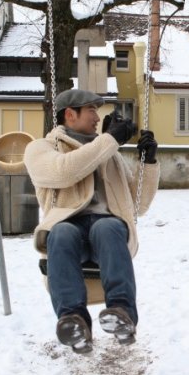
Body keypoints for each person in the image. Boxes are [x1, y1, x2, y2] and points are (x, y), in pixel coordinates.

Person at [23, 89, 160, 353]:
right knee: (61, 232)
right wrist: (109, 141)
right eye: (91, 110)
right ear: (70, 115)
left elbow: (138, 206)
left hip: (107, 234)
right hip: (69, 232)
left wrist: (148, 162)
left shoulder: (110, 154)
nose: (98, 117)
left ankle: (122, 314)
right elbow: (65, 171)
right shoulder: (41, 148)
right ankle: (73, 323)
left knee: (106, 226)